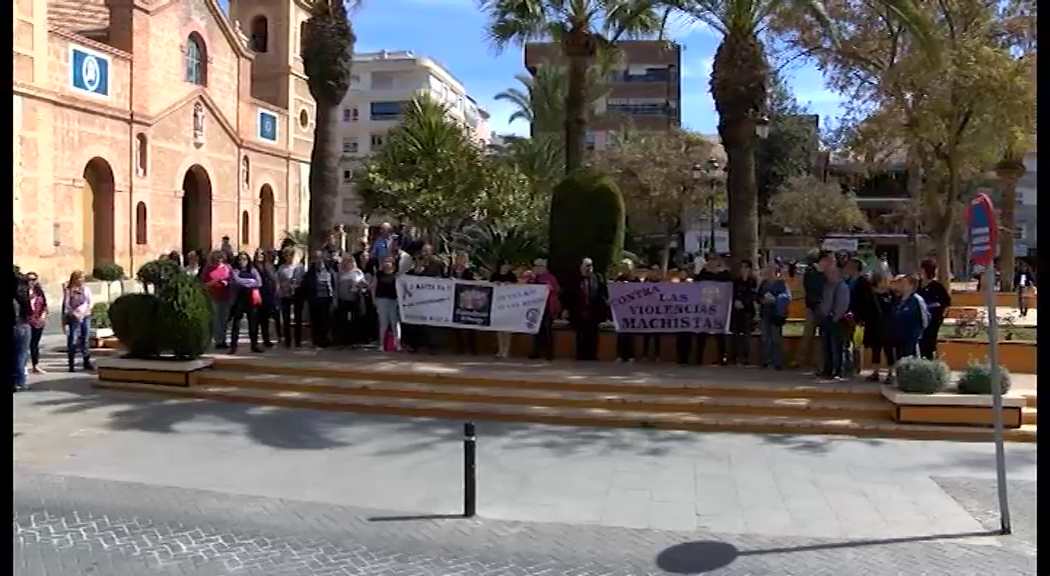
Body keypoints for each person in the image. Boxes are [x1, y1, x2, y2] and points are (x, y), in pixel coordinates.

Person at [682, 253, 731, 365]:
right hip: (705, 308)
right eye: (710, 260)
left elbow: (728, 288)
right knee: (702, 333)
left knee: (720, 334)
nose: (712, 262)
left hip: (719, 308)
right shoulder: (704, 274)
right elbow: (696, 284)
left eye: (714, 259)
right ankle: (698, 359)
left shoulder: (724, 274)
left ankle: (723, 358)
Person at [794, 250, 834, 370]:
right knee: (807, 335)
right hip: (813, 308)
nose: (831, 262)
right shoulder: (811, 272)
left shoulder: (828, 275)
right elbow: (810, 290)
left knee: (822, 337)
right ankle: (799, 360)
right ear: (823, 259)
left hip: (825, 309)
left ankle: (820, 363)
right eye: (829, 259)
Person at [816, 265, 850, 380]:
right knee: (826, 347)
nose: (827, 275)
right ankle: (827, 369)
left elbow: (842, 305)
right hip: (825, 320)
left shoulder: (842, 287)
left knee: (837, 348)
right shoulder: (826, 286)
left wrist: (835, 318)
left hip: (837, 321)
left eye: (830, 273)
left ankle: (838, 370)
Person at [864, 273, 898, 383]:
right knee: (875, 350)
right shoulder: (870, 295)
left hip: (888, 326)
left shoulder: (891, 294)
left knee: (889, 350)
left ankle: (890, 373)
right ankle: (875, 372)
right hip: (874, 326)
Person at [227, 252, 264, 354]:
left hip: (251, 298)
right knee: (236, 323)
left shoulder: (253, 270)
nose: (242, 261)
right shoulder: (235, 271)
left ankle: (254, 345)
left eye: (244, 259)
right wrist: (250, 282)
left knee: (253, 322)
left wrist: (246, 282)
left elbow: (259, 282)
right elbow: (236, 281)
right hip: (239, 298)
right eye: (240, 259)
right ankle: (233, 346)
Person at [757, 262, 790, 370]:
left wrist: (775, 300)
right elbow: (758, 296)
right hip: (765, 313)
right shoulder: (764, 283)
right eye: (767, 270)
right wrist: (762, 300)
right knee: (765, 338)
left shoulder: (781, 284)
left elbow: (786, 297)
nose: (768, 272)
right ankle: (766, 360)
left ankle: (777, 362)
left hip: (776, 315)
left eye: (771, 270)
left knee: (776, 339)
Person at [916, 259, 951, 360]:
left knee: (930, 342)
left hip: (933, 320)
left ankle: (931, 363)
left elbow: (946, 303)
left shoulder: (937, 287)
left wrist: (941, 317)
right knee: (919, 343)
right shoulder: (917, 285)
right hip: (919, 320)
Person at [301, 251, 336, 348]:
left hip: (327, 299)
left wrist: (333, 295)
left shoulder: (329, 270)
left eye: (319, 258)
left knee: (326, 321)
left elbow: (333, 282)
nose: (317, 260)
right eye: (315, 258)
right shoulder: (310, 272)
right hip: (315, 300)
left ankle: (324, 340)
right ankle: (315, 340)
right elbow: (306, 285)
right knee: (315, 321)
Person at [528, 258, 561, 361]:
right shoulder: (532, 279)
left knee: (547, 330)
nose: (537, 268)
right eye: (536, 266)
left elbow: (556, 290)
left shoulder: (550, 278)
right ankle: (536, 352)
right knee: (536, 330)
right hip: (535, 308)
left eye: (539, 266)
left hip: (547, 307)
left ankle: (548, 353)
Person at [62, 271, 94, 372]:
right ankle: (71, 364)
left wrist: (83, 314)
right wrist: (74, 313)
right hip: (73, 317)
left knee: (85, 338)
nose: (81, 280)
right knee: (73, 339)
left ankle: (86, 361)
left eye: (82, 278)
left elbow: (90, 302)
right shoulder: (69, 290)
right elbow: (66, 304)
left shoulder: (86, 289)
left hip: (85, 316)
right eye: (79, 278)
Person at [892, 274, 930, 360]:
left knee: (911, 363)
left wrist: (918, 332)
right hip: (899, 338)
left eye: (904, 283)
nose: (901, 285)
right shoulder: (898, 300)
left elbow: (925, 318)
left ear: (911, 286)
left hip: (911, 338)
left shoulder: (917, 300)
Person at [200, 251, 233, 348]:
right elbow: (203, 283)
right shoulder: (208, 269)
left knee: (225, 319)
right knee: (216, 319)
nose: (219, 260)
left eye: (221, 258)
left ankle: (223, 339)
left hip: (226, 296)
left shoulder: (227, 268)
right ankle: (218, 340)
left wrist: (227, 283)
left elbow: (232, 280)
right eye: (217, 258)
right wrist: (213, 282)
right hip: (212, 296)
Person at [729, 259, 758, 365]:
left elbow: (753, 295)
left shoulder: (753, 281)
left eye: (746, 267)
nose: (744, 269)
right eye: (742, 267)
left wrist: (744, 303)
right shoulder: (736, 282)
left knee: (746, 336)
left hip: (748, 311)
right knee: (735, 335)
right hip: (736, 312)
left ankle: (746, 357)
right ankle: (735, 357)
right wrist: (735, 302)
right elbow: (732, 294)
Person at [449, 252, 478, 355]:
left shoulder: (470, 271)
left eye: (462, 258)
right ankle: (459, 348)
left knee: (469, 325)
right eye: (458, 258)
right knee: (456, 324)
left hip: (467, 300)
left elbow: (473, 283)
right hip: (454, 300)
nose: (459, 260)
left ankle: (472, 348)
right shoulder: (451, 270)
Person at [275, 248, 305, 348]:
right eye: (288, 255)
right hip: (285, 295)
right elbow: (278, 281)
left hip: (297, 295)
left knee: (298, 318)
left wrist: (297, 285)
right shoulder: (282, 268)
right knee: (286, 318)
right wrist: (280, 289)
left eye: (292, 255)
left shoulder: (300, 267)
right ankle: (287, 340)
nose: (290, 257)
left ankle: (298, 341)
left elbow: (303, 280)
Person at [334, 257, 366, 347]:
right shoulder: (339, 273)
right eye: (345, 262)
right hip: (342, 299)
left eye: (349, 262)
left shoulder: (357, 272)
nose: (347, 264)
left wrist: (360, 286)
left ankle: (353, 341)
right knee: (342, 321)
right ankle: (342, 341)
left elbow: (364, 285)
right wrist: (336, 299)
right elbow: (336, 287)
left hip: (354, 299)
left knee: (353, 320)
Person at [489, 261, 518, 358]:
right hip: (497, 304)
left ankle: (506, 350)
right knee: (499, 328)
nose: (506, 267)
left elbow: (518, 289)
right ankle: (500, 350)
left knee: (507, 328)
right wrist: (494, 284)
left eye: (508, 265)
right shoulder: (495, 275)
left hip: (509, 304)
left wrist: (510, 285)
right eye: (504, 265)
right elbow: (489, 287)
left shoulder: (512, 276)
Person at [372, 256, 401, 352]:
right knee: (383, 323)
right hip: (381, 300)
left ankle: (397, 343)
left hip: (394, 300)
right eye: (385, 262)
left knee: (394, 322)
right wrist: (374, 299)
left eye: (388, 262)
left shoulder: (397, 275)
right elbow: (374, 287)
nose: (386, 264)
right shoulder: (379, 274)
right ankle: (381, 344)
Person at [253, 250, 280, 347]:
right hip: (255, 294)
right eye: (258, 254)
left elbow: (275, 279)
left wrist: (276, 290)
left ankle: (266, 340)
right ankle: (254, 341)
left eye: (262, 254)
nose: (260, 256)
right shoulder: (252, 267)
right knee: (255, 320)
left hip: (267, 295)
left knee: (265, 320)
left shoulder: (268, 266)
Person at [612, 259, 637, 363]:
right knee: (621, 334)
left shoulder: (635, 280)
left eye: (627, 267)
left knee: (630, 334)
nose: (625, 269)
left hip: (632, 311)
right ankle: (620, 354)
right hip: (621, 312)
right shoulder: (619, 279)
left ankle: (630, 355)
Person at [24, 272, 49, 374]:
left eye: (34, 279)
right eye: (29, 279)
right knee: (25, 345)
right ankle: (23, 366)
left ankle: (35, 365)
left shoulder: (39, 292)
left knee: (34, 344)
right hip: (26, 320)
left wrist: (43, 315)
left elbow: (44, 305)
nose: (31, 282)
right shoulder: (22, 291)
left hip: (38, 321)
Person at [14, 269, 32, 391]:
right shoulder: (21, 293)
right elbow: (28, 310)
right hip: (21, 324)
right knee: (21, 354)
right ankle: (20, 382)